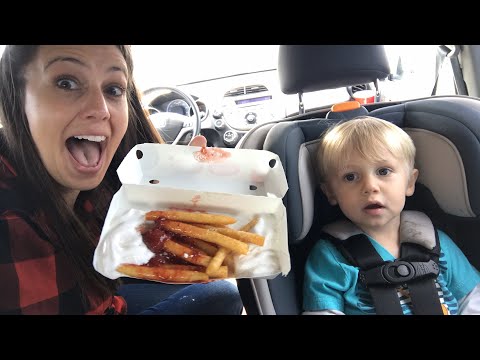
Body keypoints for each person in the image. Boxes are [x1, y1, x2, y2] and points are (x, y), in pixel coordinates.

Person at [0, 45, 243, 315]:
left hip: (105, 300)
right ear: (13, 100)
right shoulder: (11, 228)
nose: (100, 109)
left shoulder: (90, 189)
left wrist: (173, 203)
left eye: (113, 89)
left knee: (221, 294)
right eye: (66, 83)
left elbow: (124, 248)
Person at [303, 116, 480, 315]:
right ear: (331, 193)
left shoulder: (435, 243)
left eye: (383, 171)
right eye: (350, 177)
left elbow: (472, 298)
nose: (370, 187)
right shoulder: (330, 256)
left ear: (410, 183)